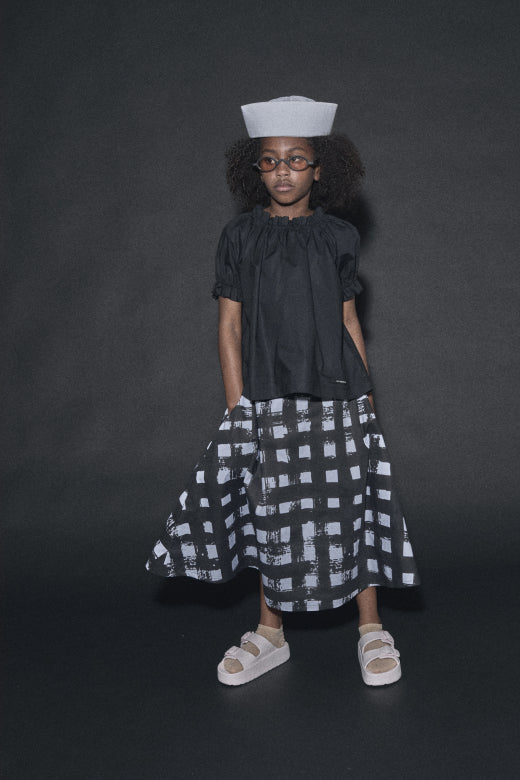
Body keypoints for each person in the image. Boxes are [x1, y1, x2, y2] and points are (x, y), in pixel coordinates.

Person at [146, 96, 419, 687]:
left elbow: (349, 320)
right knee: (271, 510)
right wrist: (238, 406)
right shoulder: (239, 236)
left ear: (320, 169)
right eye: (270, 161)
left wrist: (366, 396)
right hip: (266, 399)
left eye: (297, 159)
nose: (283, 171)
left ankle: (371, 626)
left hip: (339, 396)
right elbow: (229, 326)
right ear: (256, 169)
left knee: (351, 503)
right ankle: (270, 633)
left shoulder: (340, 235)